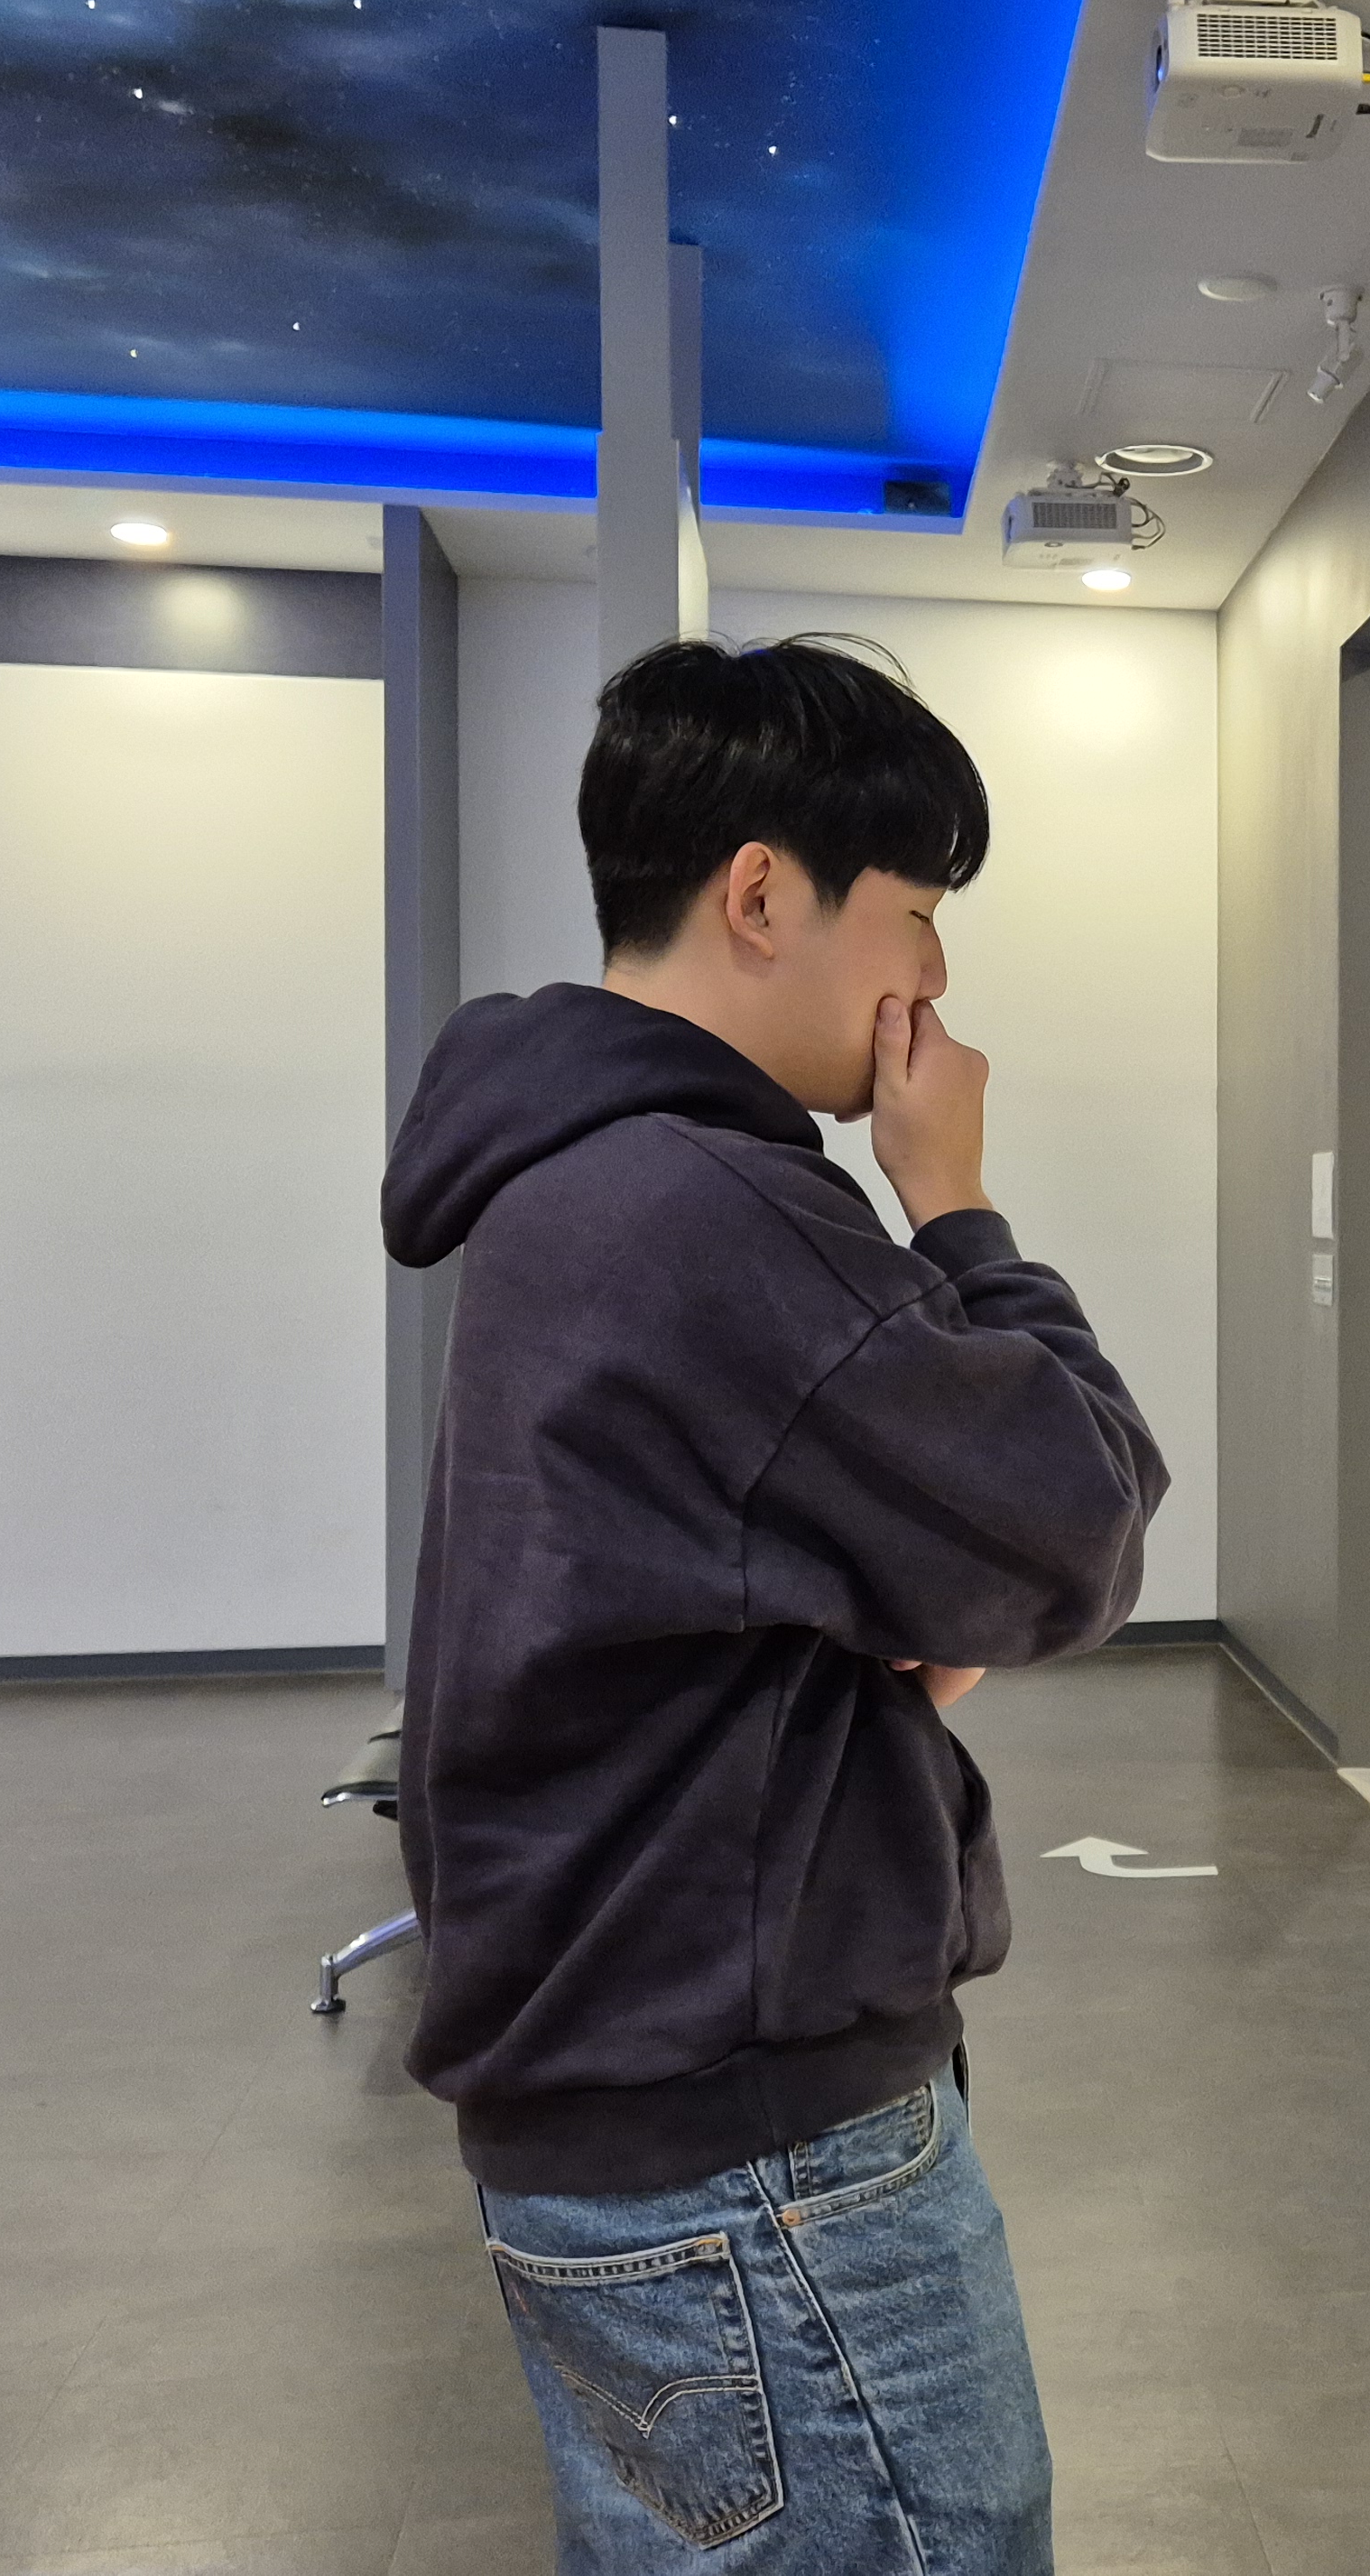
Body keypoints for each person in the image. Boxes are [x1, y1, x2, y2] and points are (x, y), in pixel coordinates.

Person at [378, 635, 1167, 2576]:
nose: (935, 982)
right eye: (917, 913)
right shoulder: (712, 1209)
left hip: (634, 2101)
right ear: (760, 893)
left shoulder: (571, 1179)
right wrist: (957, 1205)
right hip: (753, 2149)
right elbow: (1077, 1521)